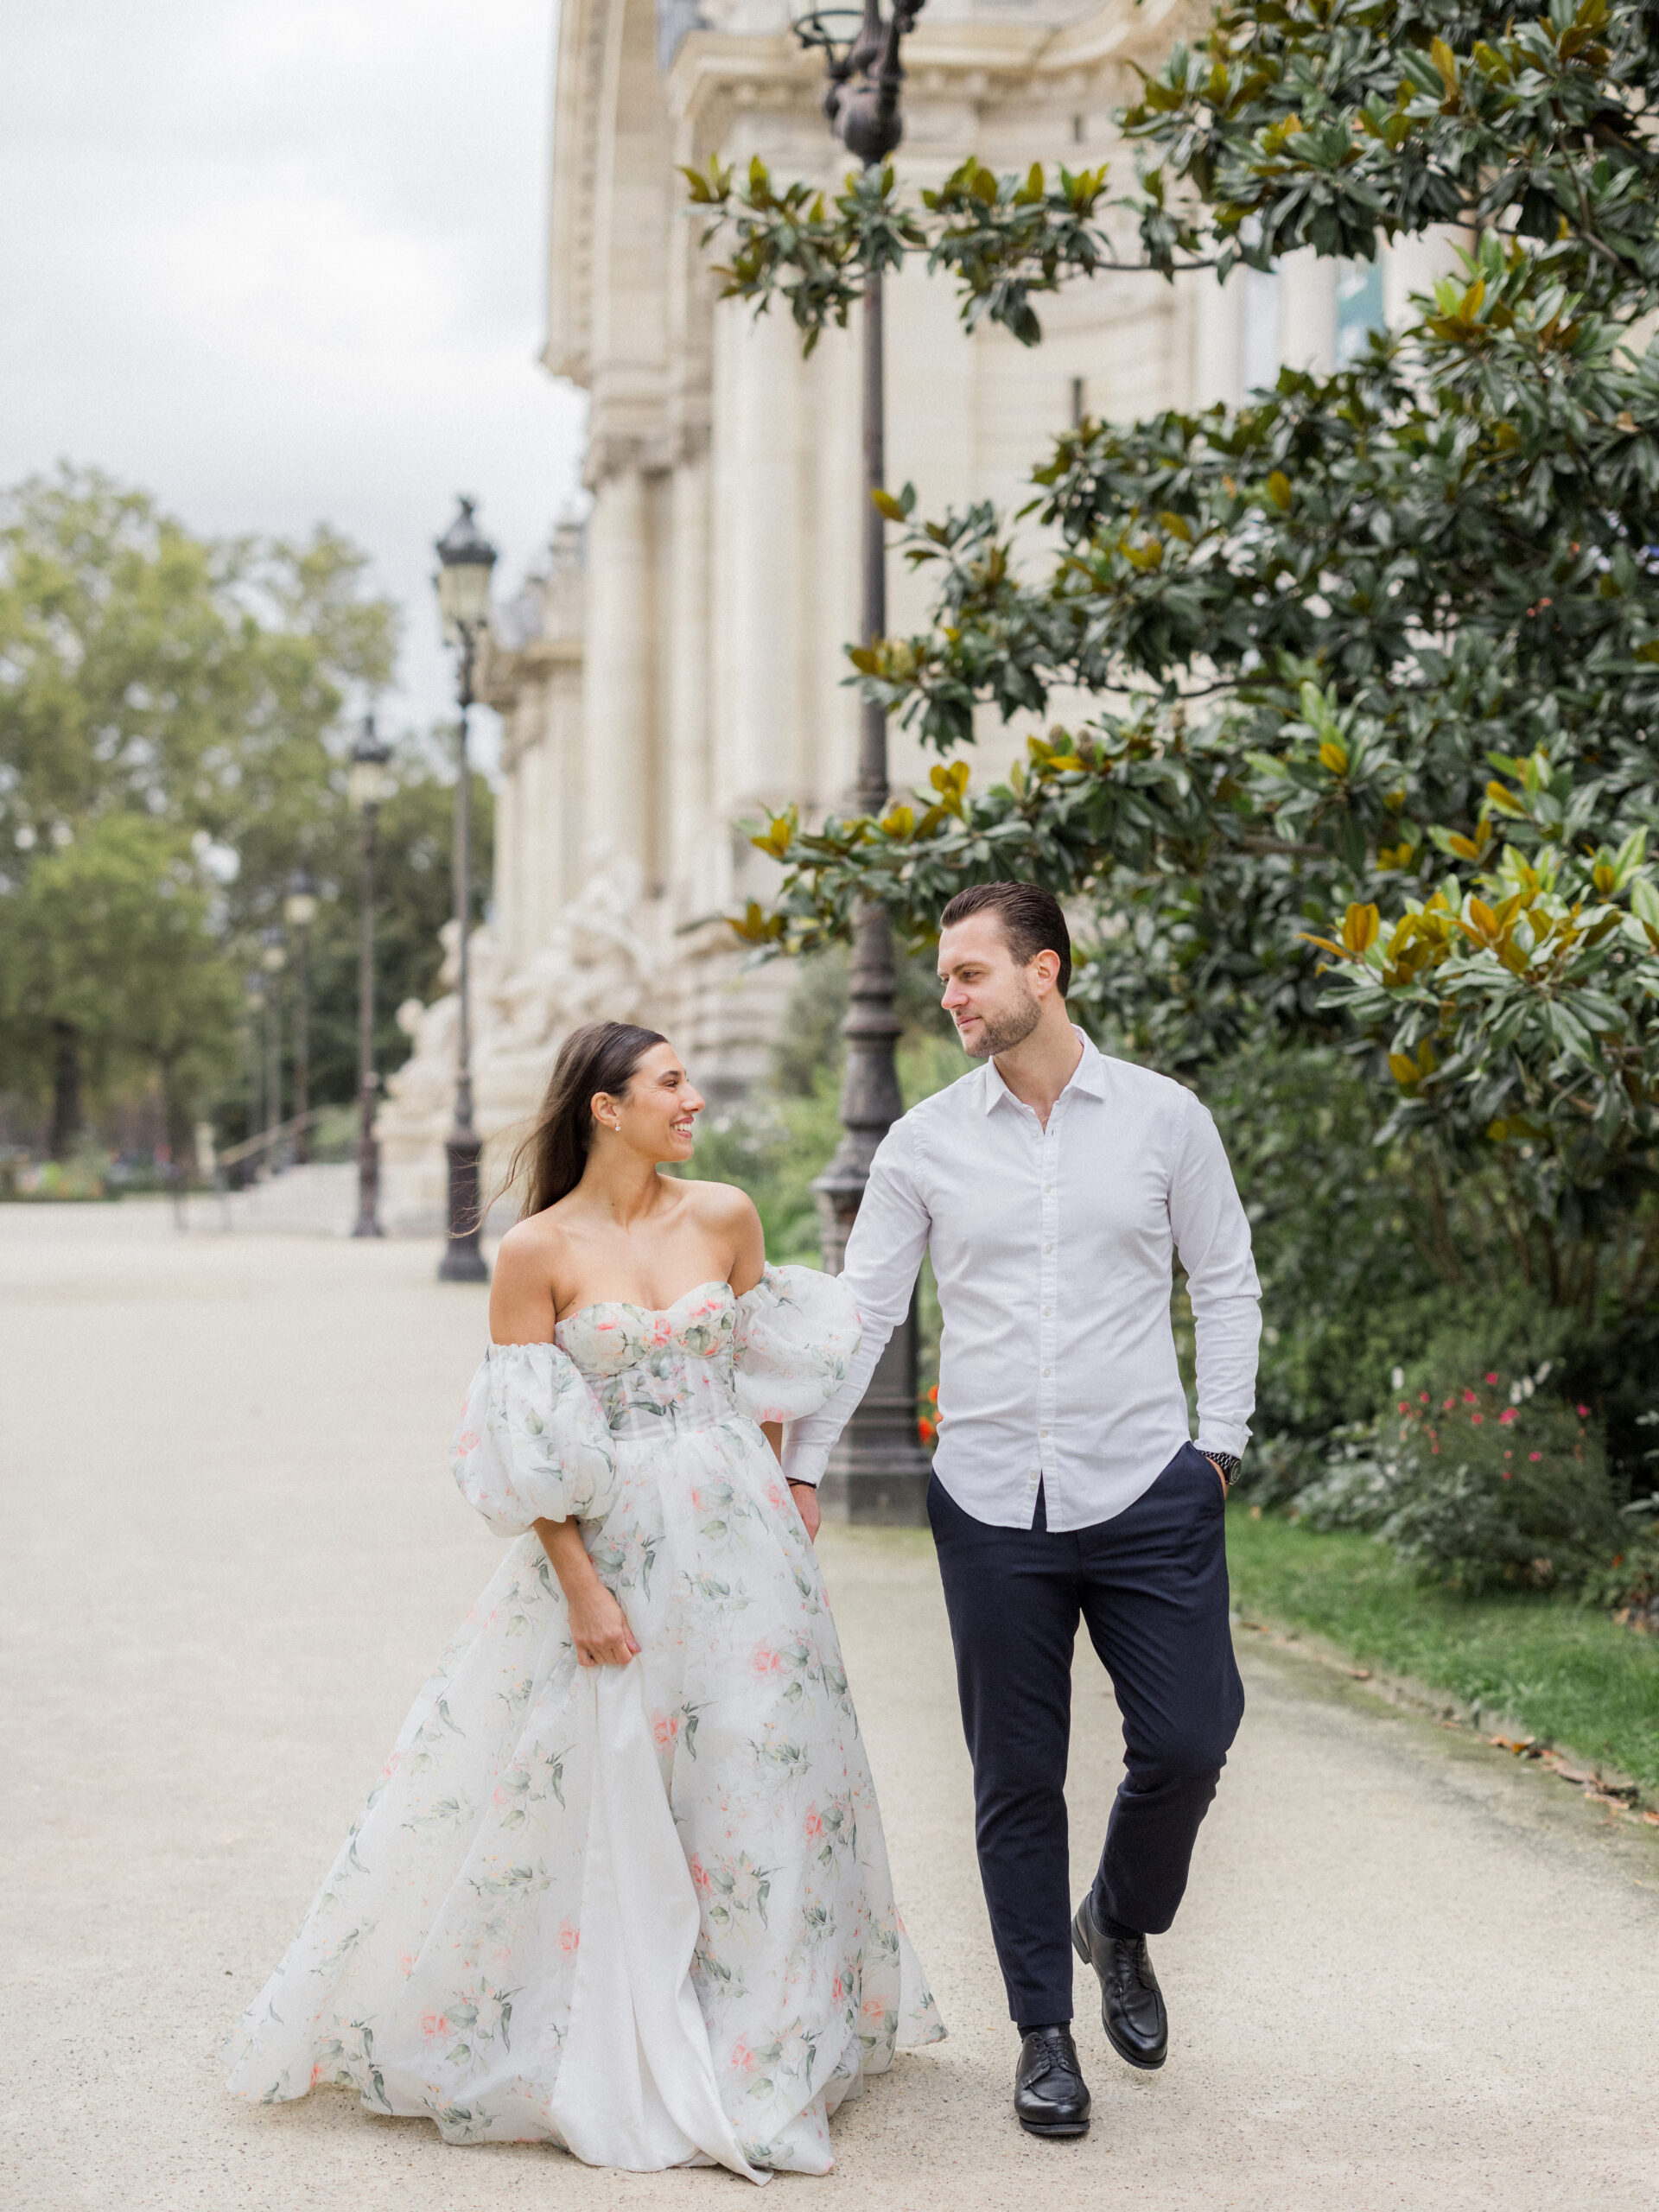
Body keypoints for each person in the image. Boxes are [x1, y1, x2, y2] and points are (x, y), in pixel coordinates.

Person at [226, 1020, 944, 2178]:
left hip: (742, 1539)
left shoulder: (724, 1216)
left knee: (762, 1779)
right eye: (671, 1082)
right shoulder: (534, 1252)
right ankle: (603, 2024)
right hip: (613, 1540)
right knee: (604, 1786)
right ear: (606, 1106)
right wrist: (581, 1592)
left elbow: (762, 1375)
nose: (693, 1099)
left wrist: (785, 1499)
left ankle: (768, 2044)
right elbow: (526, 1447)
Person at [785, 882, 1259, 2139]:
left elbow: (1227, 1283)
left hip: (1148, 1485)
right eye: (944, 976)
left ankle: (1120, 1919)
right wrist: (802, 1466)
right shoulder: (925, 1144)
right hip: (993, 1498)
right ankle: (1044, 2034)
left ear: (1044, 971)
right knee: (1016, 1775)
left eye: (969, 973)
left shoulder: (1164, 1119)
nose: (950, 995)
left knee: (1188, 1742)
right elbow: (863, 1314)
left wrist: (1217, 1449)